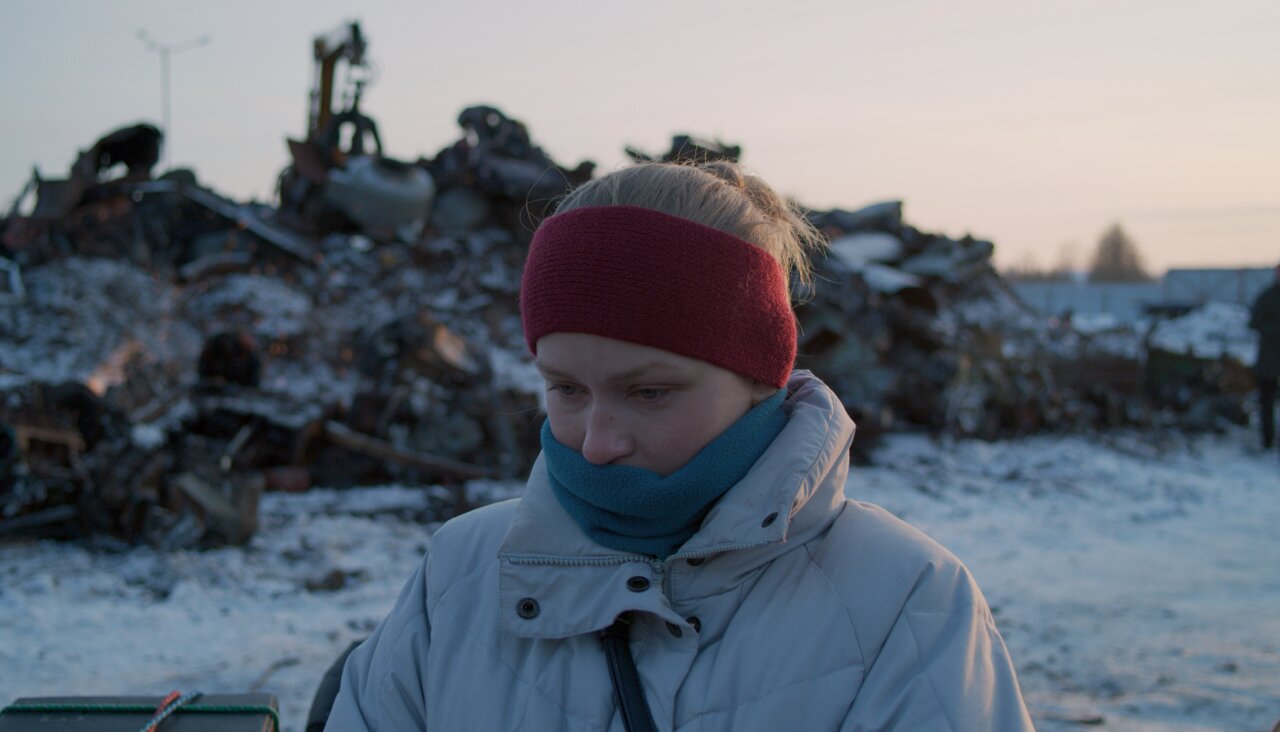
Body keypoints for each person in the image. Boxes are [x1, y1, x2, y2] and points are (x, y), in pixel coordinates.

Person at [326, 162, 1034, 730]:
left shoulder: (905, 602)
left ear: (759, 377)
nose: (596, 444)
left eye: (649, 393)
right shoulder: (459, 576)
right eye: (566, 389)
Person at [1249, 263, 1280, 452]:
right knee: (1266, 402)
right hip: (1269, 360)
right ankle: (1267, 440)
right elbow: (1254, 322)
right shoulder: (1267, 297)